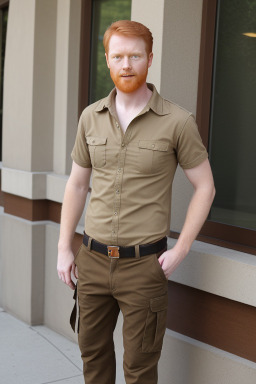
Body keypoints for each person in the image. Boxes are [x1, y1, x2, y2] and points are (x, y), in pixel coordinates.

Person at [57, 20, 215, 384]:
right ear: (108, 61)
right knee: (93, 360)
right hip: (92, 263)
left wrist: (182, 249)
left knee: (140, 369)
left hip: (144, 267)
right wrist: (65, 248)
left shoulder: (177, 121)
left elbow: (205, 187)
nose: (126, 64)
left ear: (149, 59)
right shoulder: (90, 118)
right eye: (118, 56)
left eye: (135, 56)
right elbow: (77, 185)